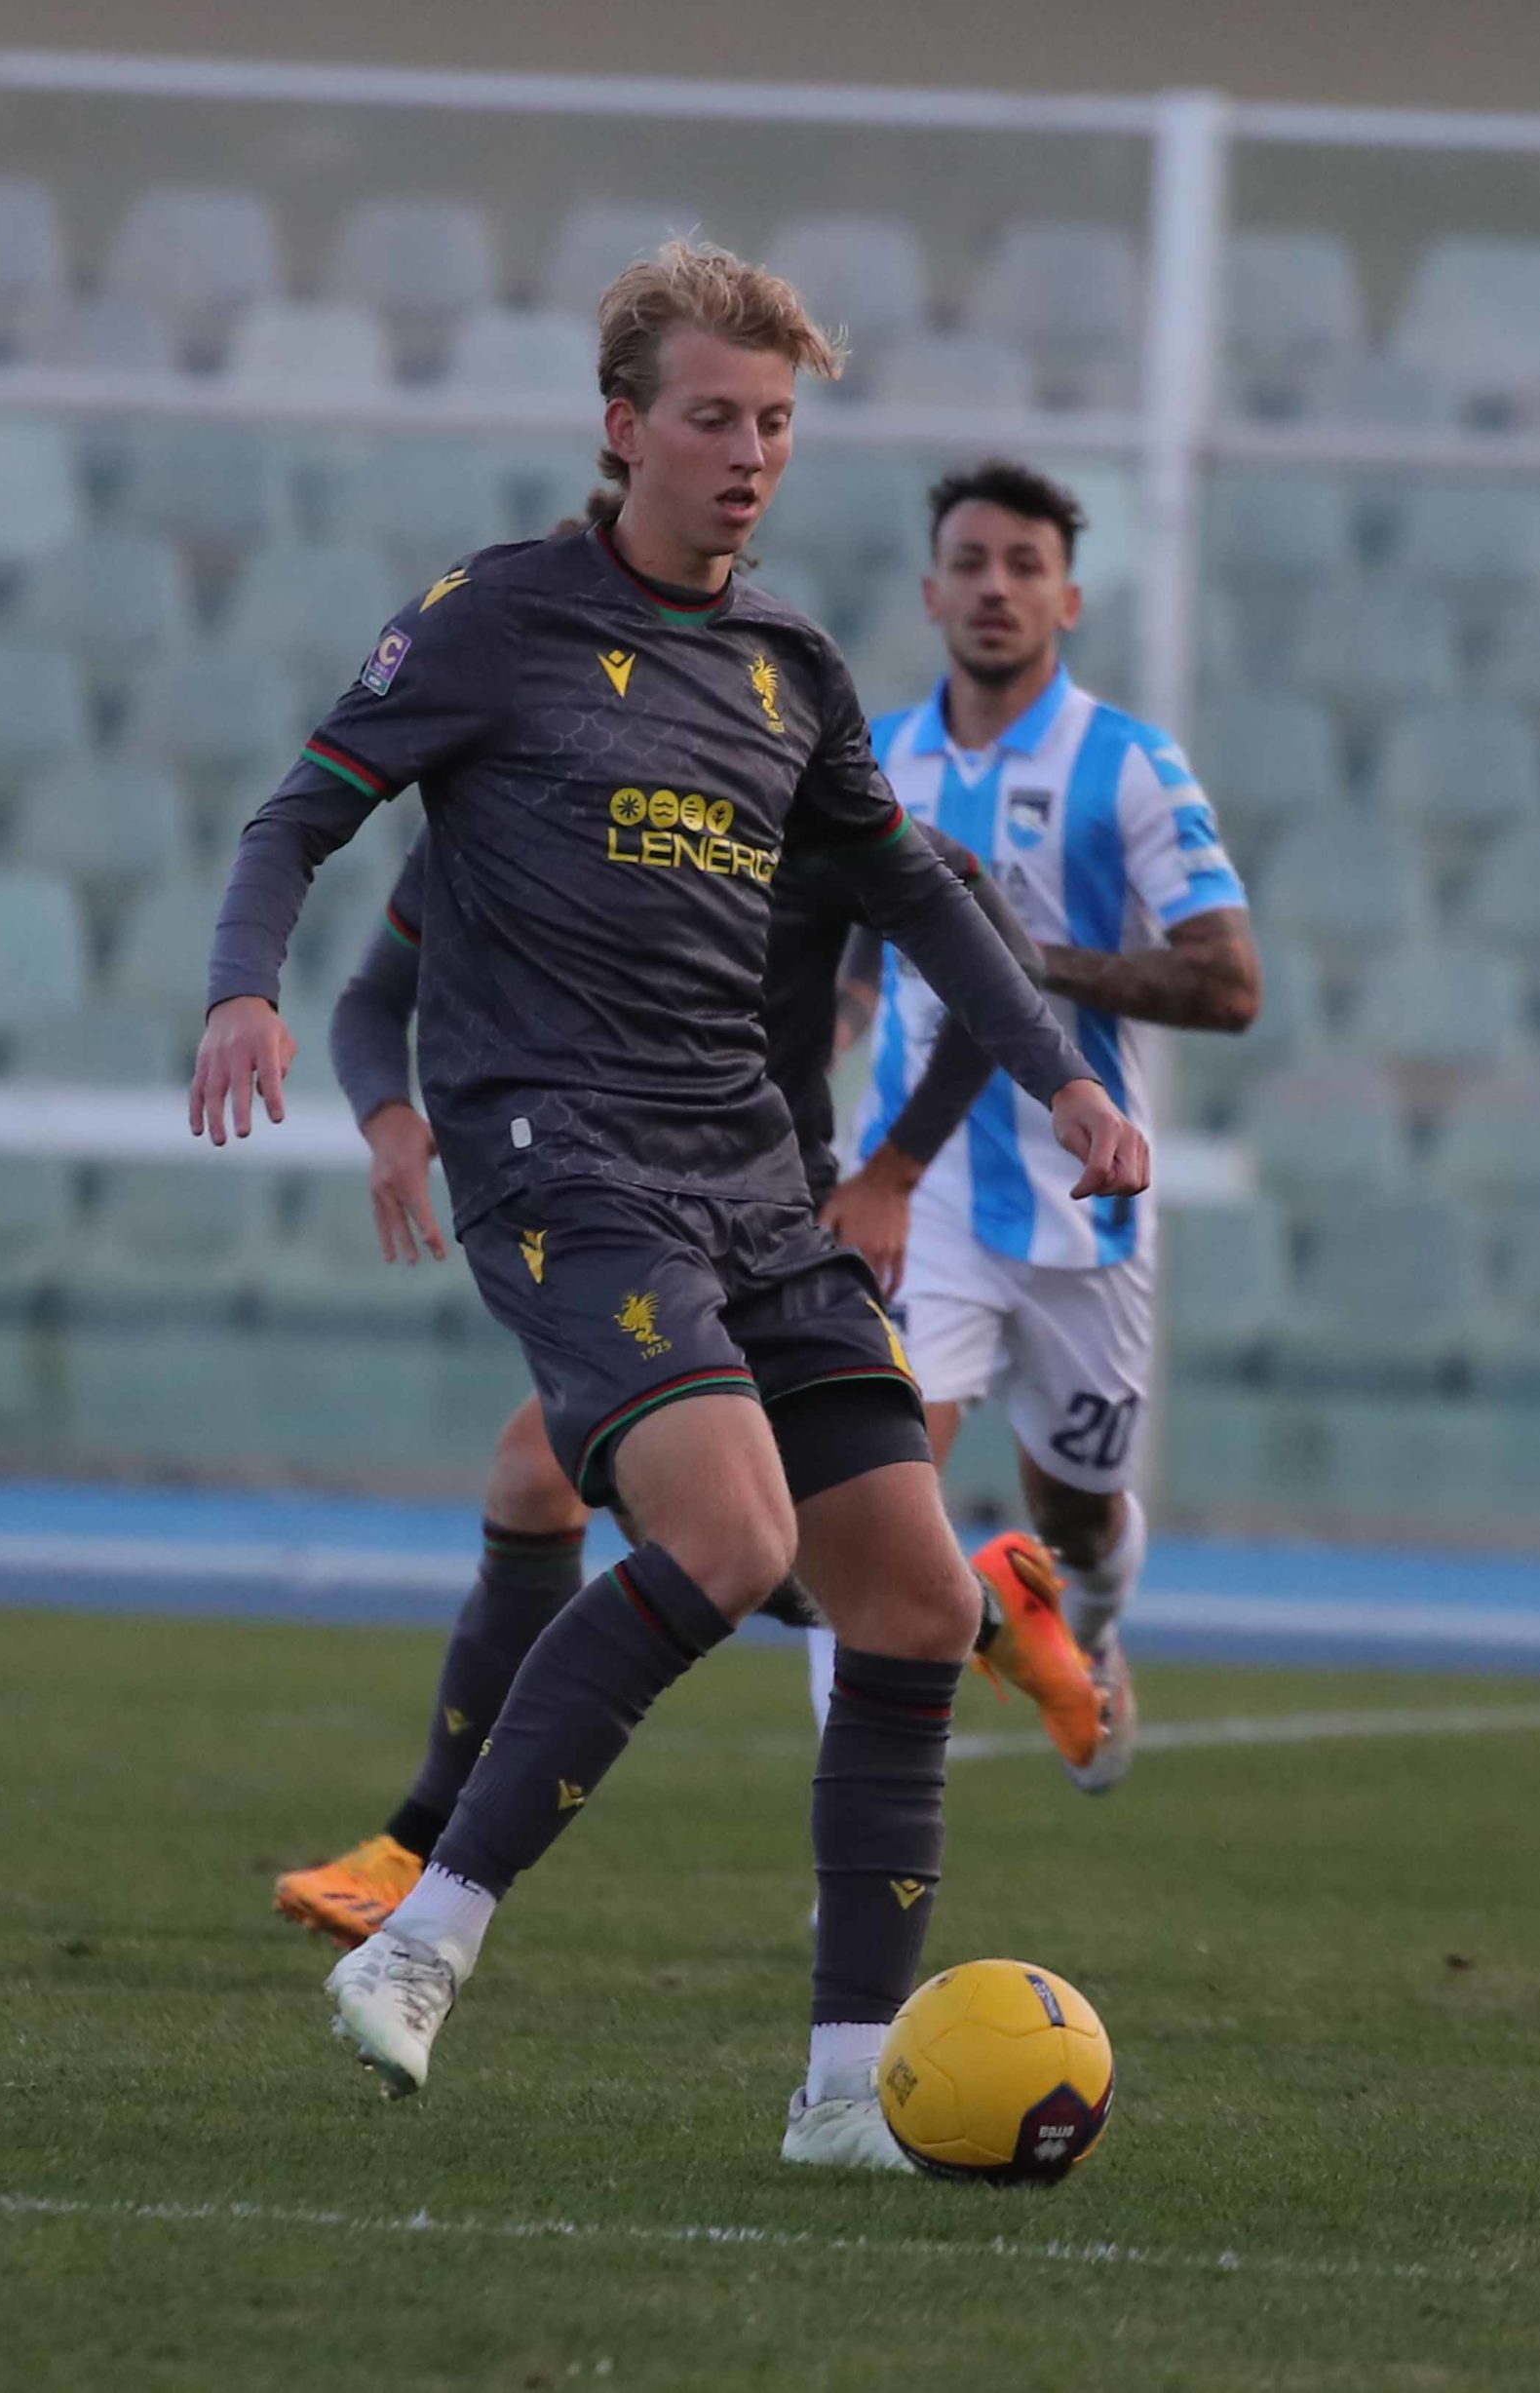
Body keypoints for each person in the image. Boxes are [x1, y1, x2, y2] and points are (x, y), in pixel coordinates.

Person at [190, 243, 1148, 2169]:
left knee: (909, 1597)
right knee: (726, 1535)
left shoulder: (791, 669)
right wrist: (243, 990)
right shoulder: (494, 618)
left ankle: (842, 2098)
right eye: (714, 417)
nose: (749, 454)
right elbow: (300, 813)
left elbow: (918, 891)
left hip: (754, 1178)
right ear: (623, 427)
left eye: (775, 423)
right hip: (563, 1159)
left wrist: (1058, 1074)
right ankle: (421, 1940)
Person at [270, 805, 1112, 1951]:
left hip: (761, 1228)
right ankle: (983, 1606)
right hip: (612, 1220)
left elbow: (995, 952)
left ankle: (420, 1863)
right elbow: (373, 996)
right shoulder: (499, 811)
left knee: (699, 1531)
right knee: (575, 1491)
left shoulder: (775, 792)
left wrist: (896, 1169)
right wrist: (389, 1117)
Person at [816, 459, 1259, 1787]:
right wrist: (829, 1028)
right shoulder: (873, 759)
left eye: (1024, 565)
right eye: (970, 563)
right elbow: (852, 948)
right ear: (930, 591)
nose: (994, 587)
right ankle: (868, 1819)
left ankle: (1091, 1626)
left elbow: (1230, 984)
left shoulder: (1129, 764)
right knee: (866, 1490)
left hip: (1081, 1195)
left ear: (1068, 598)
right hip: (915, 1185)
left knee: (1076, 1510)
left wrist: (1011, 965)